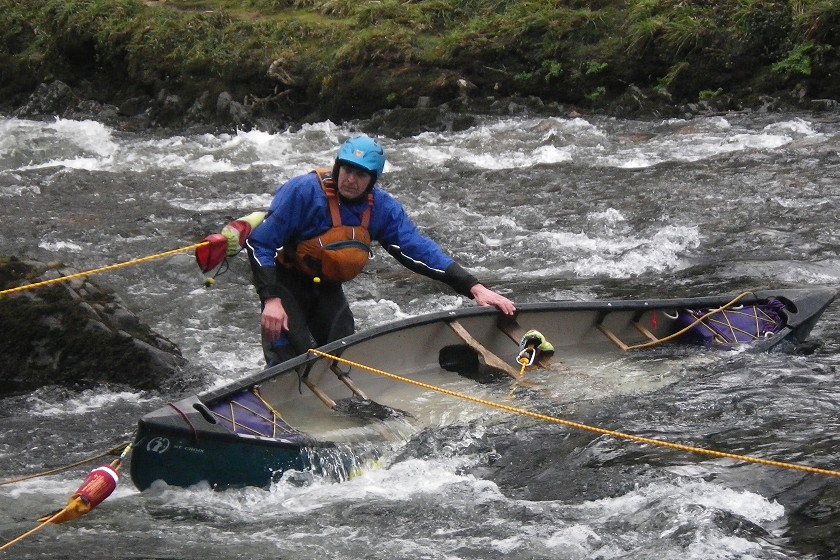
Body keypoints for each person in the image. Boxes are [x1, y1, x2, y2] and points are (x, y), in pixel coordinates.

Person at [202, 136, 516, 366]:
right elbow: (262, 244)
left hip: (325, 286)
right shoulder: (303, 193)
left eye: (360, 174)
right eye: (347, 170)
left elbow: (418, 250)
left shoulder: (381, 208)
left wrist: (474, 287)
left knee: (344, 349)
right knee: (292, 355)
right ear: (338, 168)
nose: (350, 180)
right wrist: (271, 300)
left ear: (372, 180)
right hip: (285, 282)